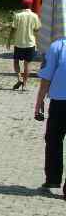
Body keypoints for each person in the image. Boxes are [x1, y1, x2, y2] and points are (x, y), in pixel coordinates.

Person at [35, 36, 66, 197]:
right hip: (59, 101)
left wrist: (39, 102)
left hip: (60, 104)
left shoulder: (57, 47)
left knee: (54, 140)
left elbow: (46, 78)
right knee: (53, 140)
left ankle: (53, 179)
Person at [6, 0, 41, 91]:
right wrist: (38, 42)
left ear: (22, 5)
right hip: (30, 43)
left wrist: (9, 40)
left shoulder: (17, 15)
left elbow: (13, 29)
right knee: (27, 64)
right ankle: (25, 84)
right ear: (31, 5)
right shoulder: (34, 16)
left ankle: (19, 78)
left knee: (16, 61)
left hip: (19, 43)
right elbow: (37, 30)